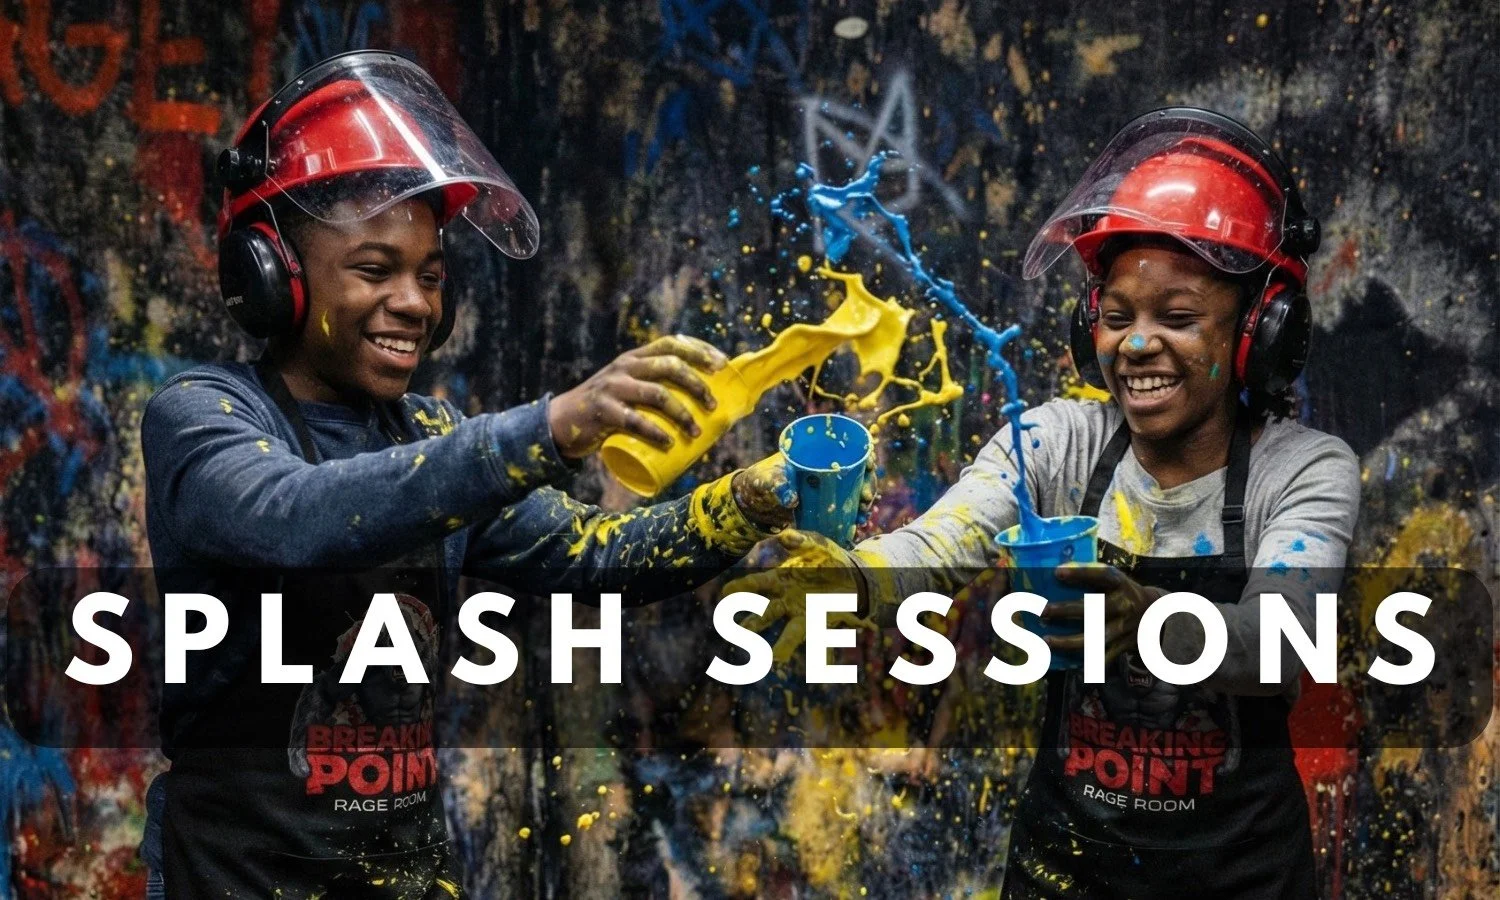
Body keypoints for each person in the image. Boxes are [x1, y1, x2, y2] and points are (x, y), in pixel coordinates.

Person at [138, 51, 804, 899]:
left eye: (430, 277)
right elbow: (293, 515)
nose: (416, 303)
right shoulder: (203, 414)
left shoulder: (430, 434)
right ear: (273, 277)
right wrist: (547, 429)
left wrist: (753, 498)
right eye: (375, 270)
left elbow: (598, 555)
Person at [741, 108, 1360, 897]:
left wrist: (1147, 619)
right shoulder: (1055, 444)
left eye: (1178, 318)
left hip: (1243, 883)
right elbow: (937, 545)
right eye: (1116, 317)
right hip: (1062, 874)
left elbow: (1278, 642)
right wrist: (852, 577)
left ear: (1257, 332)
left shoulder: (1304, 470)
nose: (1136, 344)